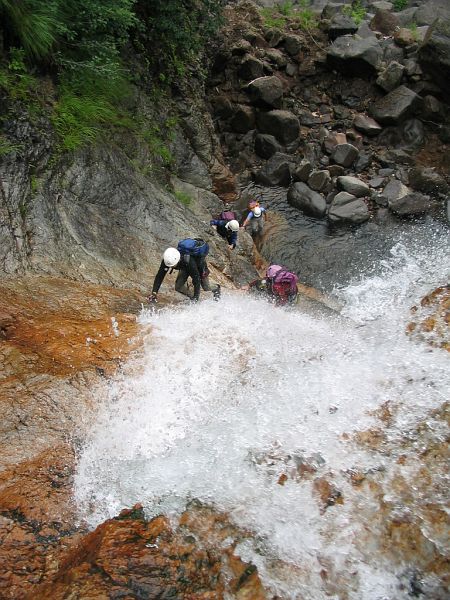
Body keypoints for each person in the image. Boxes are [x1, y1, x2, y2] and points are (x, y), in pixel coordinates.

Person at [149, 239, 220, 303]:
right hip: (184, 267)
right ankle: (192, 297)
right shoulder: (167, 260)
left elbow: (197, 280)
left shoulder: (189, 262)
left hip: (198, 265)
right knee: (179, 286)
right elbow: (160, 276)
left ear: (177, 260)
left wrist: (196, 298)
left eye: (172, 266)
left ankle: (216, 288)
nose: (170, 267)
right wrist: (154, 293)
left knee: (206, 287)